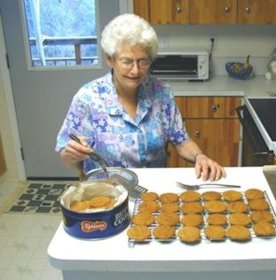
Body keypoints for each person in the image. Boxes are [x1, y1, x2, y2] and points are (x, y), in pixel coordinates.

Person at [55, 13, 226, 181]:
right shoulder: (88, 98)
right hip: (107, 193)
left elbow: (181, 141)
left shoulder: (162, 93)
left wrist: (200, 156)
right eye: (127, 61)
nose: (135, 70)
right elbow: (65, 156)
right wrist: (72, 153)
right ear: (110, 59)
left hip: (154, 191)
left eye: (143, 61)